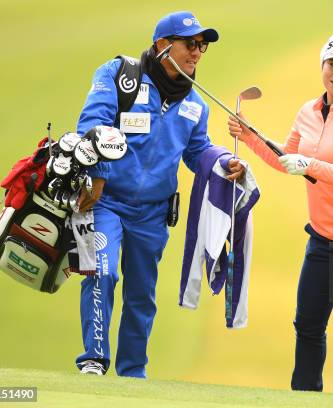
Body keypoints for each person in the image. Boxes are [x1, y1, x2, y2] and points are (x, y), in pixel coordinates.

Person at [228, 31, 333, 397]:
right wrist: (250, 136)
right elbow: (287, 159)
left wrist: (312, 165)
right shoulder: (308, 111)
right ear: (323, 64)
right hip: (324, 237)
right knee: (307, 323)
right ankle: (305, 396)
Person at [74, 11, 245, 378]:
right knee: (101, 273)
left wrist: (226, 161)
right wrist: (99, 174)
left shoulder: (195, 106)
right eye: (190, 44)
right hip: (106, 203)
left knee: (141, 296)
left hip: (152, 214)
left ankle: (133, 374)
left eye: (202, 46)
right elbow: (92, 123)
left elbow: (197, 152)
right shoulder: (120, 77)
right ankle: (94, 361)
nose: (198, 52)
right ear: (162, 45)